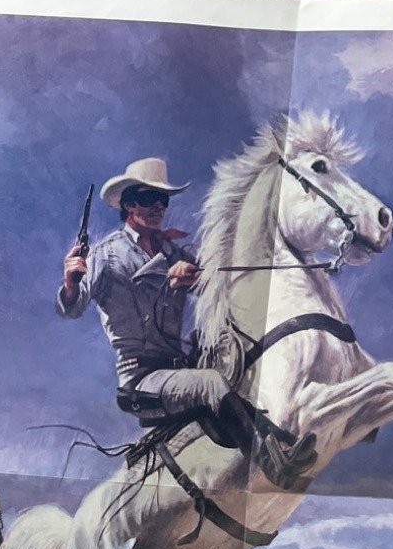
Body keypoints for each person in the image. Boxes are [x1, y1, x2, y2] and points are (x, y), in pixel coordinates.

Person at [57, 156, 315, 485]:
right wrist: (71, 283)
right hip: (142, 379)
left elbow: (220, 288)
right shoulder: (106, 255)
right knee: (212, 384)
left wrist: (200, 277)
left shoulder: (175, 253)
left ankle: (283, 441)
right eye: (150, 198)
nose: (158, 207)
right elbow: (72, 308)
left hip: (180, 369)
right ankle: (271, 465)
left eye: (163, 200)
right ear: (129, 204)